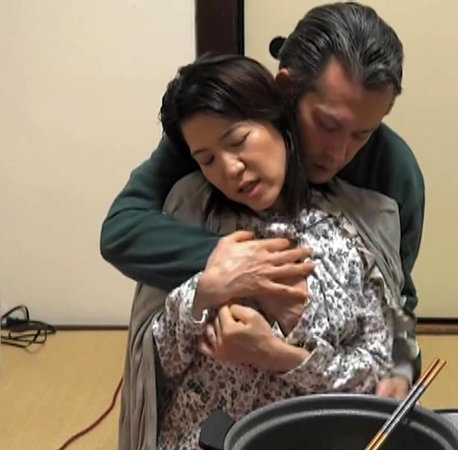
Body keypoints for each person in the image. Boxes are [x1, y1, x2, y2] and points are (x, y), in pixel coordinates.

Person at [105, 3, 423, 441]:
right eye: (327, 124)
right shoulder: (209, 137)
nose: (339, 152)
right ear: (285, 91)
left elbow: (396, 299)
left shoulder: (390, 177)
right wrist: (226, 274)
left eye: (362, 134)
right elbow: (122, 232)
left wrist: (399, 367)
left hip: (311, 418)